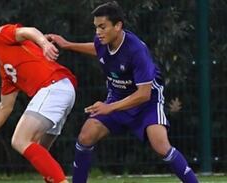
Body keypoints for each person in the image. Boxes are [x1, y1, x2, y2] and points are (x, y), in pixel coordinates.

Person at [46, 1, 199, 183]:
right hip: (117, 96)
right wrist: (67, 44)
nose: (98, 33)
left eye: (102, 27)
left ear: (118, 26)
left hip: (147, 102)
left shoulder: (136, 50)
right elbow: (97, 49)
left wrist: (109, 108)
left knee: (161, 146)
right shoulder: (102, 41)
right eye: (96, 27)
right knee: (86, 136)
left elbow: (144, 94)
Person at [0, 15, 77, 183]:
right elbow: (5, 107)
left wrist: (44, 43)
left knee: (20, 140)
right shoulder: (5, 69)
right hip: (63, 90)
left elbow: (29, 31)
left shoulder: (0, 35)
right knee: (39, 151)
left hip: (54, 86)